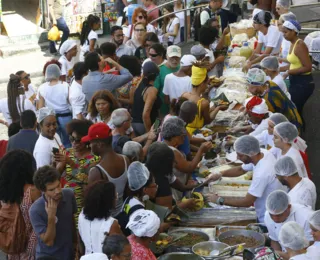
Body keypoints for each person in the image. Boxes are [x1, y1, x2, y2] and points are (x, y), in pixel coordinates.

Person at [205, 135, 284, 223]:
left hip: (268, 216)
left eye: (240, 156)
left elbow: (247, 202)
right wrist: (220, 174)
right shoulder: (262, 153)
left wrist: (219, 200)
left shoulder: (262, 173)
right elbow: (241, 169)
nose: (237, 158)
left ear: (250, 154)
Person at [54, 119, 100, 222]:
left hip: (83, 202)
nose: (74, 143)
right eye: (71, 138)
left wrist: (71, 164)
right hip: (66, 200)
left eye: (78, 140)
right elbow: (56, 176)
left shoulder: (94, 158)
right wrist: (57, 164)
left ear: (87, 140)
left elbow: (87, 180)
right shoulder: (67, 153)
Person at [0, 150, 41, 260]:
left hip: (12, 249)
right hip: (30, 251)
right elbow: (36, 226)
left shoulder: (4, 194)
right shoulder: (32, 191)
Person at [29, 166, 77, 259]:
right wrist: (51, 217)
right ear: (43, 191)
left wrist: (76, 244)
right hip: (48, 256)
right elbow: (49, 242)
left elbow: (72, 222)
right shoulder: (35, 210)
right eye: (51, 189)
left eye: (58, 185)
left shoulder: (69, 195)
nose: (58, 191)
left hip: (68, 254)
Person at [83, 123, 129, 216]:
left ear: (100, 144)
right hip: (123, 214)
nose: (89, 146)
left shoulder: (96, 171)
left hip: (106, 221)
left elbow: (92, 204)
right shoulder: (125, 160)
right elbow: (128, 192)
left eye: (91, 142)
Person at [162, 117, 212, 201]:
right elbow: (189, 168)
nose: (184, 138)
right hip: (175, 193)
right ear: (174, 138)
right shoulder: (172, 151)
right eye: (182, 136)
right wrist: (200, 150)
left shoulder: (165, 145)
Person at [145, 142, 200, 209]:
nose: (176, 163)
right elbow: (166, 212)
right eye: (172, 160)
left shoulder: (165, 172)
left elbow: (182, 187)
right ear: (164, 163)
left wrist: (200, 184)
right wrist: (185, 204)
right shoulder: (160, 182)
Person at [246, 68, 303, 132]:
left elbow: (263, 122)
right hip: (290, 117)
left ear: (257, 86)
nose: (248, 89)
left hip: (291, 127)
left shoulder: (268, 100)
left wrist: (251, 127)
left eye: (249, 86)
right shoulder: (269, 83)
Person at [281, 20, 314, 118]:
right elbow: (294, 64)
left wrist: (288, 72)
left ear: (294, 31)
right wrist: (279, 68)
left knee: (295, 111)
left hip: (303, 83)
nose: (284, 34)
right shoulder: (292, 43)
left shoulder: (299, 45)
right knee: (295, 110)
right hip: (296, 80)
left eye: (286, 32)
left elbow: (308, 67)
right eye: (283, 32)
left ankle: (299, 130)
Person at [78, 181, 122, 255]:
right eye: (115, 196)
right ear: (107, 201)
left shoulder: (82, 215)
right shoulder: (111, 224)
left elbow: (80, 240)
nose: (116, 197)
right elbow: (119, 249)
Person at [182, 65, 226, 135]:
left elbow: (200, 113)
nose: (207, 85)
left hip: (184, 131)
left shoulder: (184, 95)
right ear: (202, 84)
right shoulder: (204, 103)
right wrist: (218, 108)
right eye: (206, 83)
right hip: (196, 135)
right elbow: (208, 121)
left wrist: (214, 107)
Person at [38, 64, 72, 148]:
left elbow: (41, 108)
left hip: (51, 119)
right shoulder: (65, 85)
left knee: (56, 141)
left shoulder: (42, 88)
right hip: (66, 117)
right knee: (68, 141)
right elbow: (71, 102)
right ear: (58, 73)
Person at [131, 61, 161, 135]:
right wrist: (149, 133)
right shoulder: (151, 90)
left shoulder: (139, 84)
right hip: (145, 125)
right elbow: (145, 114)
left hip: (134, 123)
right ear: (156, 76)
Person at [154, 45, 181, 116]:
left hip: (179, 109)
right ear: (166, 56)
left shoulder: (182, 68)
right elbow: (154, 91)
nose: (174, 60)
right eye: (172, 57)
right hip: (164, 110)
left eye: (177, 57)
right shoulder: (159, 70)